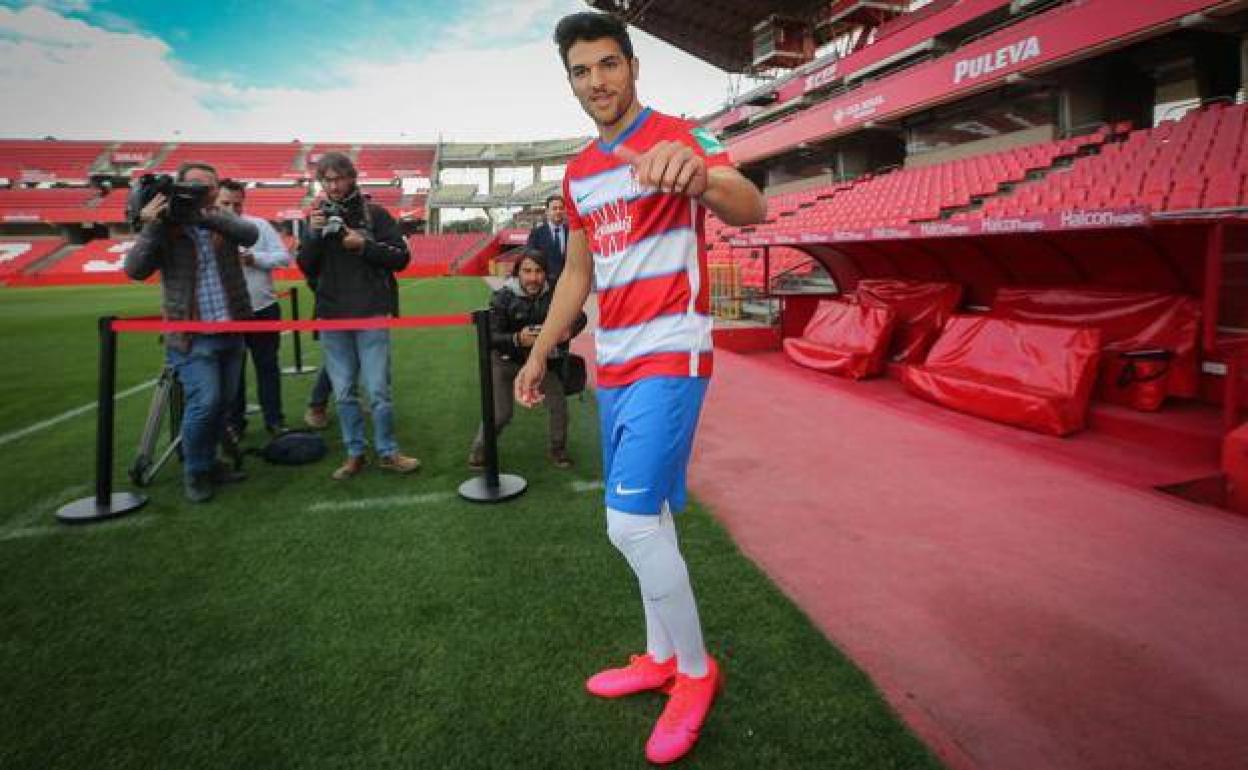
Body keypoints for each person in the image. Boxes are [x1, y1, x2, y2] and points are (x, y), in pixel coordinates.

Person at [515, 12, 766, 765]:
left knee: (626, 526)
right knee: (649, 515)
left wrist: (704, 176)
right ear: (571, 81)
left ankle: (694, 671)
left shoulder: (683, 135)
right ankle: (659, 659)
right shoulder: (579, 172)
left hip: (672, 351)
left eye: (608, 65)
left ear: (632, 67)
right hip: (616, 356)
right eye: (582, 71)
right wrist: (543, 351)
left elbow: (749, 203)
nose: (598, 82)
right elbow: (578, 273)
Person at [124, 162, 261, 503]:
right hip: (191, 335)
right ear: (179, 187)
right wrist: (153, 227)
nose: (205, 191)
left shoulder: (220, 218)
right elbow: (136, 270)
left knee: (222, 404)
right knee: (206, 401)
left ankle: (211, 462)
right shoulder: (165, 227)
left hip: (231, 328)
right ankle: (196, 470)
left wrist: (203, 215)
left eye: (210, 185)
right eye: (196, 185)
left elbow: (250, 235)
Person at [297, 152, 419, 480]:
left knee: (378, 390)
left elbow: (401, 259)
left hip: (370, 312)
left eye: (339, 178)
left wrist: (362, 244)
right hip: (332, 315)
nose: (334, 186)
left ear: (352, 178)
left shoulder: (375, 214)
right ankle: (354, 453)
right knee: (344, 392)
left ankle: (387, 451)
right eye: (327, 180)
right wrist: (312, 235)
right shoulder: (315, 217)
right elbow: (305, 266)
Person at [468, 249, 586, 470]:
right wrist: (517, 338)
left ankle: (558, 450)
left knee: (558, 406)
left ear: (546, 273)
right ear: (518, 272)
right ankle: (480, 450)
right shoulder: (502, 296)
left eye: (539, 271)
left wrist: (566, 331)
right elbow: (489, 336)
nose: (533, 277)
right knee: (501, 413)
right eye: (527, 271)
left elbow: (580, 317)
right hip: (506, 360)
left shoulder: (555, 294)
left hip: (541, 361)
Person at [216, 179, 291, 437]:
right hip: (227, 312)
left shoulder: (259, 225)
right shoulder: (207, 229)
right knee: (233, 372)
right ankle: (235, 424)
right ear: (215, 200)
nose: (231, 209)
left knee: (268, 367)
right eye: (225, 203)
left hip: (264, 307)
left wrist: (254, 258)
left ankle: (274, 420)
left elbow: (284, 258)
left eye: (237, 204)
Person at [526, 194, 569, 284]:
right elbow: (531, 258)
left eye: (561, 208)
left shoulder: (572, 233)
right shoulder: (536, 233)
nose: (558, 211)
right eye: (554, 208)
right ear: (547, 211)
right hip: (544, 283)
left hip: (567, 283)